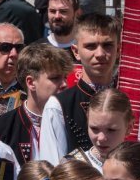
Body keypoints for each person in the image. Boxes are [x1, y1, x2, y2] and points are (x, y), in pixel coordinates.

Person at [38, 13, 119, 163]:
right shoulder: (58, 106)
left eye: (107, 45)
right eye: (91, 46)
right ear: (76, 52)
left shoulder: (130, 97)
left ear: (118, 49)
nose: (100, 54)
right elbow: (53, 169)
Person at [0, 42, 71, 166]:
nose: (64, 84)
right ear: (31, 82)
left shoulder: (74, 118)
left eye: (65, 77)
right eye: (55, 78)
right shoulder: (0, 128)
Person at [65, 88, 133, 173]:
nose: (101, 138)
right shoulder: (73, 167)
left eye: (111, 130)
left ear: (129, 128)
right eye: (94, 129)